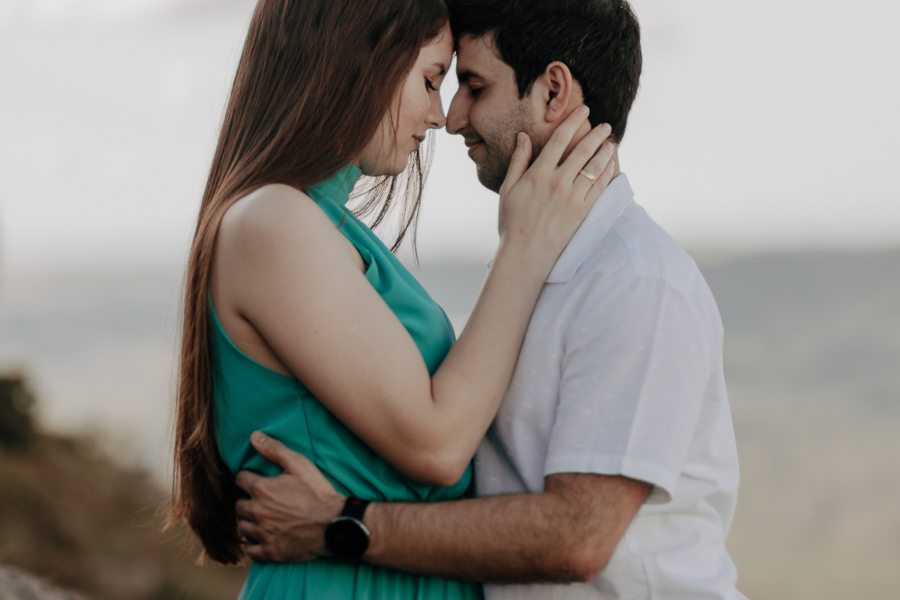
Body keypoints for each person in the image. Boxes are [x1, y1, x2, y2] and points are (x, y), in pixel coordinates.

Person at [233, 0, 749, 599]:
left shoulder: (634, 283)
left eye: (472, 85)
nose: (451, 118)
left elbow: (576, 537)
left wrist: (342, 525)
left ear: (553, 91)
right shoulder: (537, 262)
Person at [169, 0, 617, 598]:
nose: (438, 116)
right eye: (431, 79)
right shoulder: (271, 221)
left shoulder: (326, 230)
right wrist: (525, 244)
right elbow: (436, 446)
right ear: (360, 61)